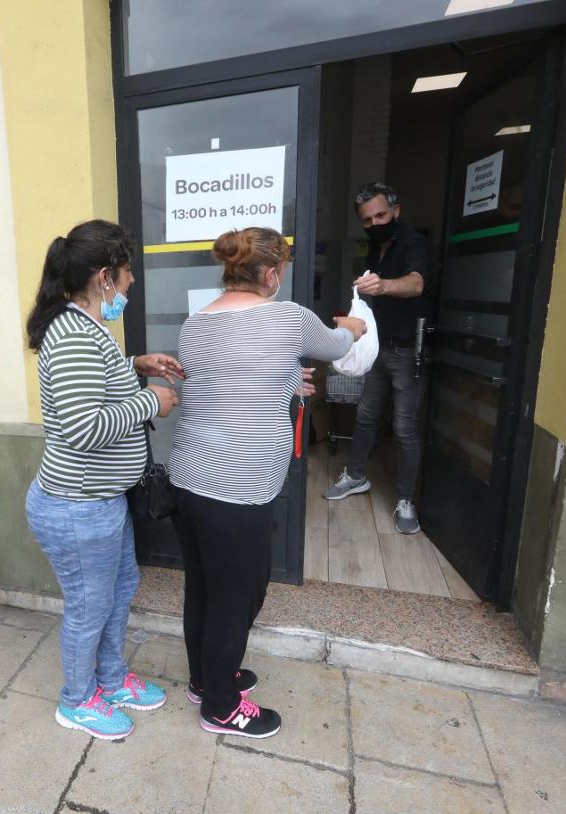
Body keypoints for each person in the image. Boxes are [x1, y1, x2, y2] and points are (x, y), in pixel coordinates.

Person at [169, 227, 366, 738]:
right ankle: (220, 706)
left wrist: (282, 379)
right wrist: (354, 324)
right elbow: (339, 343)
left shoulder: (195, 324)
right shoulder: (288, 317)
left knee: (204, 591)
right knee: (238, 599)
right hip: (238, 488)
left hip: (189, 478)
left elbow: (224, 382)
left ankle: (205, 679)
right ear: (272, 274)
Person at [24, 219, 183, 741]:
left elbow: (94, 387)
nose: (133, 280)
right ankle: (77, 700)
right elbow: (81, 427)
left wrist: (135, 363)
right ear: (103, 277)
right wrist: (150, 399)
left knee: (120, 589)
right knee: (90, 604)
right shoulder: (72, 334)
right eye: (127, 270)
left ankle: (111, 681)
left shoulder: (88, 327)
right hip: (76, 507)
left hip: (99, 501)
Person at [323, 182, 434, 534]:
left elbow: (416, 284)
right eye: (367, 220)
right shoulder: (373, 247)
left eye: (381, 215)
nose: (375, 223)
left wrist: (382, 285)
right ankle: (356, 476)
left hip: (406, 351)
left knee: (404, 428)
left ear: (396, 211)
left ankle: (406, 500)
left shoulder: (414, 243)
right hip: (376, 349)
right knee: (366, 416)